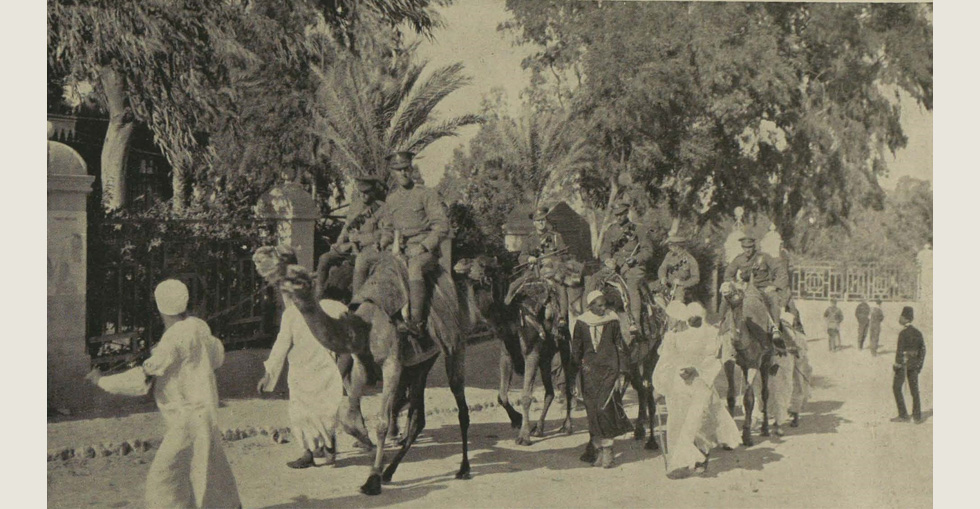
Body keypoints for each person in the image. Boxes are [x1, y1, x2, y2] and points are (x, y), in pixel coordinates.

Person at [87, 280, 241, 509]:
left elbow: (141, 380)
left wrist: (102, 380)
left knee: (165, 477)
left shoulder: (172, 339)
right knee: (208, 466)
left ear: (160, 307)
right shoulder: (198, 326)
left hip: (185, 418)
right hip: (206, 411)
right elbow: (216, 356)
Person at [257, 286, 348, 468]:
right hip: (300, 370)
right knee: (300, 414)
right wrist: (268, 374)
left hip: (324, 367)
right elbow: (281, 345)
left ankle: (327, 448)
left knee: (324, 413)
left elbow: (344, 325)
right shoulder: (291, 315)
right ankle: (308, 452)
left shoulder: (328, 308)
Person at [653, 302, 741, 479]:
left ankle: (702, 456)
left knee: (699, 419)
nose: (669, 322)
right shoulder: (671, 336)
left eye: (671, 318)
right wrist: (659, 387)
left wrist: (696, 370)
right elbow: (665, 362)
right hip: (677, 385)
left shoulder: (708, 334)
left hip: (700, 382)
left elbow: (713, 359)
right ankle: (679, 463)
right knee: (677, 421)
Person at [376, 151, 450, 360]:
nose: (403, 173)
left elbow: (441, 225)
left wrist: (425, 246)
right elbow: (388, 228)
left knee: (415, 267)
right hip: (401, 250)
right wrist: (383, 240)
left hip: (424, 252)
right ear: (392, 173)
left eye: (406, 169)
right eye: (398, 170)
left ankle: (416, 324)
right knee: (374, 265)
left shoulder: (426, 194)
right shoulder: (391, 200)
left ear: (412, 169)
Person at [571, 290, 633, 468]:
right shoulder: (581, 323)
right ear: (590, 306)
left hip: (609, 370)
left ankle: (608, 451)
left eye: (604, 304)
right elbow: (577, 348)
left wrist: (622, 370)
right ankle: (598, 450)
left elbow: (619, 345)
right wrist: (573, 373)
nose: (603, 308)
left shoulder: (612, 320)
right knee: (592, 410)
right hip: (589, 371)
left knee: (604, 408)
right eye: (599, 305)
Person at [315, 173, 386, 299]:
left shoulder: (382, 208)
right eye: (360, 192)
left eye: (366, 192)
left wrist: (360, 239)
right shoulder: (356, 205)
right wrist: (339, 241)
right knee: (324, 258)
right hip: (349, 247)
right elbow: (347, 226)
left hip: (367, 248)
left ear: (373, 191)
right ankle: (319, 296)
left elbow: (382, 234)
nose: (362, 195)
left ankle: (356, 302)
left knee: (358, 266)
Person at [598, 200, 655, 338]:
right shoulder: (611, 231)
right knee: (596, 282)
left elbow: (648, 251)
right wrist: (608, 260)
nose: (618, 217)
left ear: (627, 213)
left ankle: (635, 324)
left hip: (633, 268)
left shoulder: (639, 229)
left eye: (621, 214)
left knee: (632, 287)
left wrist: (635, 259)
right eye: (616, 215)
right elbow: (604, 251)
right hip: (615, 268)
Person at [516, 206, 569, 324]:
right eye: (538, 220)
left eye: (543, 219)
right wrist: (529, 258)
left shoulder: (555, 237)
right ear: (534, 223)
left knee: (560, 287)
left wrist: (552, 260)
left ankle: (562, 317)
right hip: (535, 273)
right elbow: (521, 257)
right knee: (520, 290)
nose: (541, 222)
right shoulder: (529, 239)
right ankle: (524, 318)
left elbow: (565, 255)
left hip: (553, 272)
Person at [723, 234, 784, 320]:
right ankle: (725, 325)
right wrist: (736, 285)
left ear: (754, 246)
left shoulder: (763, 257)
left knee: (774, 299)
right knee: (729, 299)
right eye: (745, 247)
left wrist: (774, 286)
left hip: (763, 288)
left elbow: (779, 271)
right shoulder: (738, 259)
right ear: (742, 247)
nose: (747, 250)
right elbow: (728, 275)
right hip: (746, 289)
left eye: (750, 247)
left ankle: (775, 328)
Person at [892, 306, 926, 424]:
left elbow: (899, 351)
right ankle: (917, 417)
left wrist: (896, 365)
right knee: (914, 390)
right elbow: (923, 350)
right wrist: (919, 365)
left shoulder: (903, 333)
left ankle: (903, 415)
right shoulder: (918, 332)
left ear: (905, 319)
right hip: (914, 365)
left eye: (901, 317)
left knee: (896, 388)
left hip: (903, 365)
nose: (899, 319)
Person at [653, 233, 700, 303]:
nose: (669, 248)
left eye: (671, 246)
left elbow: (696, 278)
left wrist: (682, 283)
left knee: (678, 300)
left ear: (677, 246)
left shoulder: (690, 259)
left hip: (681, 287)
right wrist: (662, 277)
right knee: (650, 291)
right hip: (668, 283)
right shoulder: (669, 255)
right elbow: (662, 267)